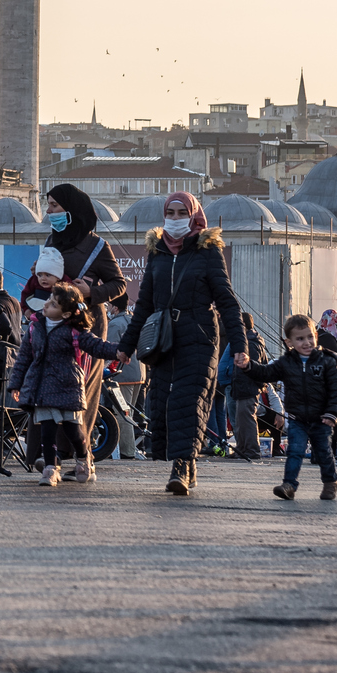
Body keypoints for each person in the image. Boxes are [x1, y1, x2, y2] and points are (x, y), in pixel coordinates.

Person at [113, 190, 236, 496]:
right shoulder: (157, 253)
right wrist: (126, 346)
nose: (176, 220)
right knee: (163, 403)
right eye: (171, 214)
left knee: (187, 399)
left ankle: (181, 465)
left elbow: (226, 301)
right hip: (163, 340)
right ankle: (186, 461)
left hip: (199, 335)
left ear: (194, 216)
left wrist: (241, 346)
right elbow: (143, 304)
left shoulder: (208, 251)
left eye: (183, 214)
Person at [41, 181, 129, 480]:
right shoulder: (51, 242)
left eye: (54, 206)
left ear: (71, 209)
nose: (49, 211)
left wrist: (91, 292)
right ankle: (54, 454)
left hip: (87, 324)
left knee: (81, 390)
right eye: (48, 205)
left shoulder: (97, 246)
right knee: (51, 385)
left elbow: (119, 285)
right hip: (54, 322)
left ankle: (83, 456)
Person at [234, 313, 337, 501]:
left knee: (323, 453)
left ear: (316, 336)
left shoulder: (327, 361)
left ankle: (330, 482)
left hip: (321, 418)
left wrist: (333, 412)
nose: (307, 342)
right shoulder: (286, 363)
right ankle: (289, 485)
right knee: (295, 451)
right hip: (297, 418)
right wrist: (248, 366)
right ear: (289, 342)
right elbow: (265, 372)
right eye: (300, 339)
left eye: (310, 337)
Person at [8, 280, 99, 485]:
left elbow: (96, 345)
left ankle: (84, 458)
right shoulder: (34, 327)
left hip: (68, 387)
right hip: (43, 388)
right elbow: (24, 358)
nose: (47, 304)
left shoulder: (74, 331)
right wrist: (16, 384)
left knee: (73, 431)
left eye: (54, 304)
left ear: (66, 314)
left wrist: (120, 351)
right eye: (49, 300)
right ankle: (50, 469)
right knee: (47, 431)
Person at [225, 312, 267, 460]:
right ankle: (242, 449)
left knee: (247, 420)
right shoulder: (251, 341)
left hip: (248, 388)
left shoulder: (250, 344)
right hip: (243, 387)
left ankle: (251, 450)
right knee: (240, 421)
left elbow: (254, 368)